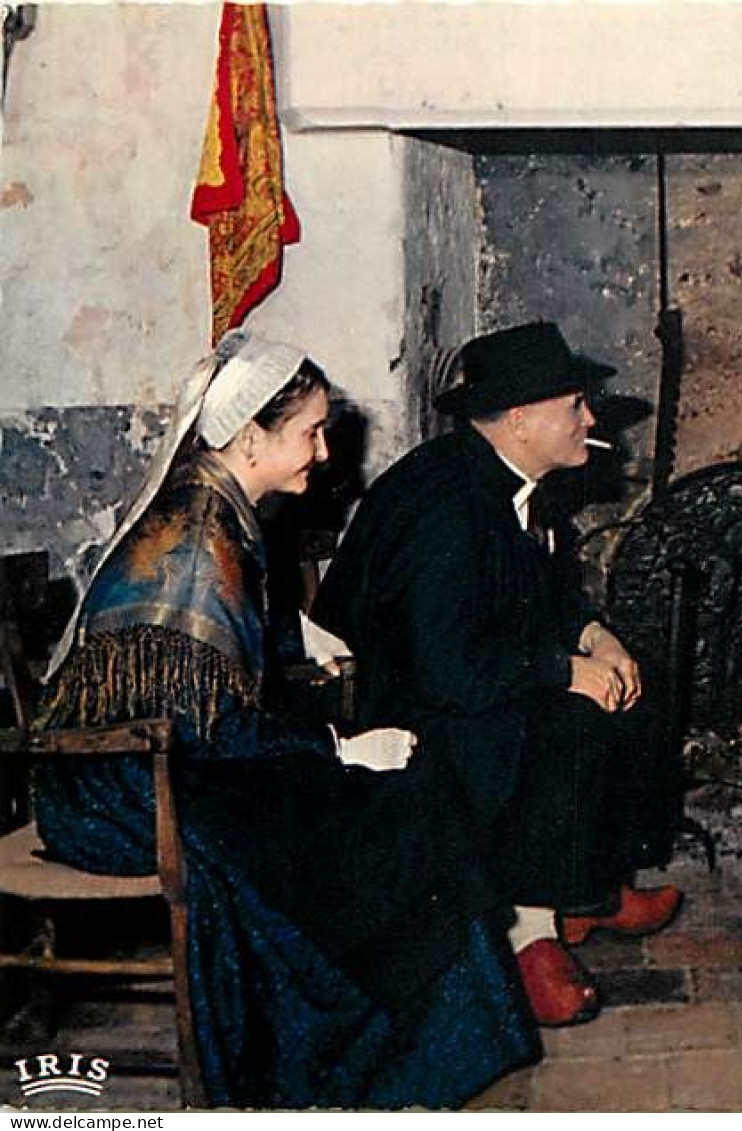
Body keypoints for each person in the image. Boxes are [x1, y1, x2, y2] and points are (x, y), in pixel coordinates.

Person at [34, 332, 540, 1108]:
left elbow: (211, 676)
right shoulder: (200, 535)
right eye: (309, 430)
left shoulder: (221, 507)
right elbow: (213, 728)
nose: (325, 450)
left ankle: (449, 1038)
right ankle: (370, 1063)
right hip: (125, 789)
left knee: (399, 790)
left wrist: (289, 632)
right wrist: (340, 747)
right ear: (250, 437)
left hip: (163, 762)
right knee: (370, 811)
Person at [312, 322, 683, 1031]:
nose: (590, 419)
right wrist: (561, 670)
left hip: (464, 675)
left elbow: (537, 592)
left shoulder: (506, 478)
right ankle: (530, 934)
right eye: (574, 405)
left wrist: (593, 634)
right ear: (519, 420)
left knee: (627, 681)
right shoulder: (445, 509)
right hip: (410, 708)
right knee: (565, 715)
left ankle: (589, 889)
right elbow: (444, 667)